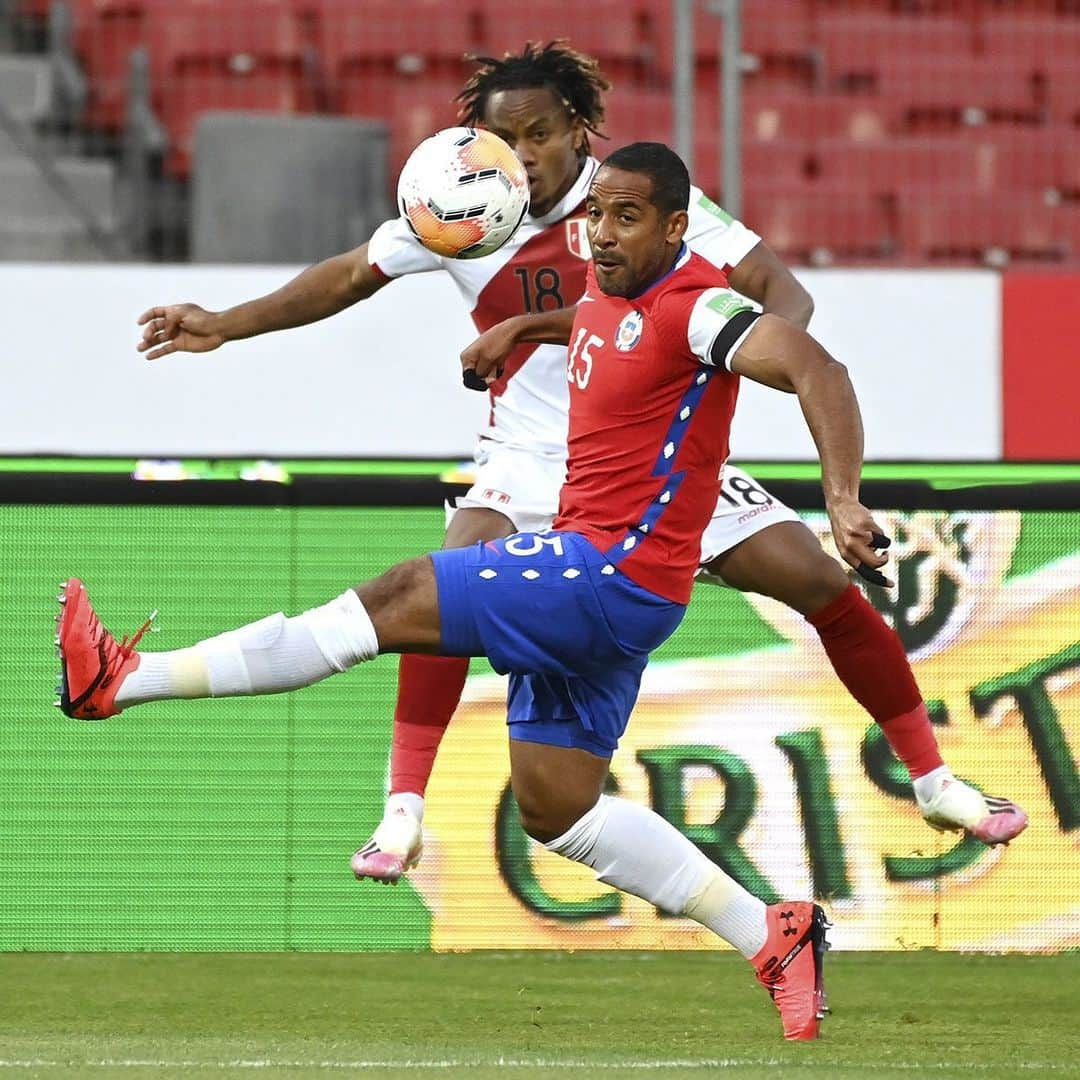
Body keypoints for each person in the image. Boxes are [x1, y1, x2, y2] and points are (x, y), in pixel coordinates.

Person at [133, 43, 1026, 884]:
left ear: (576, 129)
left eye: (539, 133)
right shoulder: (457, 205)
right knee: (444, 584)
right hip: (528, 453)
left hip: (653, 459)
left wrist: (718, 372)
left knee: (820, 585)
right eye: (504, 136)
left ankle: (932, 777)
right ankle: (404, 806)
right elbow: (344, 276)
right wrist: (225, 323)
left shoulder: (632, 198)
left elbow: (781, 295)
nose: (521, 154)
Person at [61, 142, 865, 1039]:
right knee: (556, 806)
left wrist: (841, 497)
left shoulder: (701, 306)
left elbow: (816, 367)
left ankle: (124, 680)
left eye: (624, 217)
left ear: (679, 228)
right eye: (595, 214)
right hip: (611, 590)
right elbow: (410, 287)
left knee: (402, 596)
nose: (598, 232)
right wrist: (519, 328)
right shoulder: (606, 303)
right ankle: (772, 933)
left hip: (608, 575)